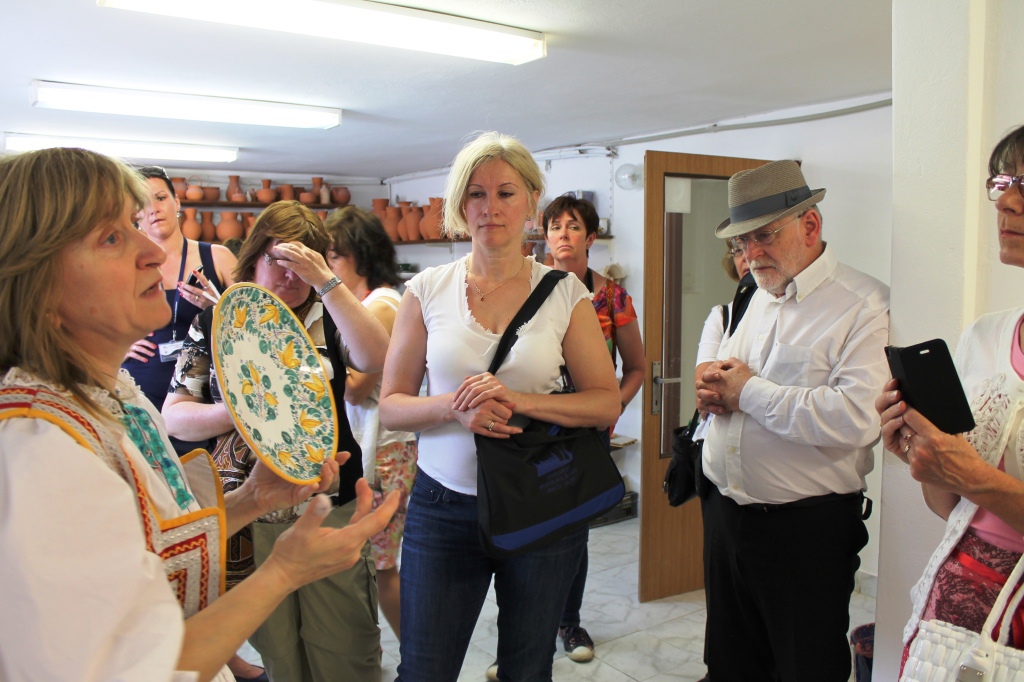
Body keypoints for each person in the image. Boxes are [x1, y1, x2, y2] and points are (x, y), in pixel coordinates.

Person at [0, 147, 400, 682]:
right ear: (37, 282)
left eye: (135, 225)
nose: (152, 250)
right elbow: (123, 667)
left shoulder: (112, 400)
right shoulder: (38, 449)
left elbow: (154, 549)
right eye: (112, 237)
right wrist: (282, 572)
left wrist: (251, 499)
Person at [379, 131, 620, 682]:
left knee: (527, 668)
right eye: (477, 194)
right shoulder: (426, 290)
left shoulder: (566, 293)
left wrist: (519, 400)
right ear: (460, 205)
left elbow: (605, 403)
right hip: (443, 506)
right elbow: (392, 406)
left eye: (506, 193)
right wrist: (454, 409)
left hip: (540, 501)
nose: (491, 207)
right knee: (424, 670)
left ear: (531, 200)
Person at [163, 200, 391, 682]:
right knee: (280, 654)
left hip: (328, 502)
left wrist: (325, 282)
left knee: (347, 649)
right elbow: (176, 417)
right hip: (249, 510)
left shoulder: (329, 314)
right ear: (254, 256)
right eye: (279, 260)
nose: (291, 276)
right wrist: (244, 411)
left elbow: (376, 357)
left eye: (302, 264)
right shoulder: (217, 321)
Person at [695, 160, 889, 681]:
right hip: (725, 515)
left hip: (805, 532)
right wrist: (713, 394)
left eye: (764, 236)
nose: (751, 253)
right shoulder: (752, 297)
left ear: (810, 225)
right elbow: (725, 383)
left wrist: (747, 392)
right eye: (743, 241)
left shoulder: (864, 306)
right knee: (729, 667)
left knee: (805, 669)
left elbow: (856, 418)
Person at [877, 125, 1024, 672]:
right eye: (1001, 182)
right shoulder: (985, 336)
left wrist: (974, 476)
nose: (1006, 201)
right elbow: (950, 507)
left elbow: (975, 484)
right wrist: (927, 458)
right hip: (952, 607)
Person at [538, 193, 645, 665]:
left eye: (573, 226)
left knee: (572, 530)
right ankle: (526, 625)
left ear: (591, 238)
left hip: (585, 430)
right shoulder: (524, 286)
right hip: (532, 424)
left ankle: (568, 621)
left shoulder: (611, 297)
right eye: (555, 226)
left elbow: (637, 366)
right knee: (526, 526)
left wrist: (612, 408)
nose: (563, 234)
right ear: (545, 237)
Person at [324, 206, 418, 640]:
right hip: (378, 446)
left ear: (360, 256)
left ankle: (417, 657)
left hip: (384, 451)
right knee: (374, 563)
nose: (327, 267)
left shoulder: (380, 306)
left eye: (333, 256)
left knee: (382, 566)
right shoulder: (364, 306)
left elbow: (354, 389)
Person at [121, 166, 236, 456]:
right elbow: (91, 321)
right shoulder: (121, 263)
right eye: (143, 203)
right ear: (134, 214)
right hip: (140, 389)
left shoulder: (218, 257)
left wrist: (217, 310)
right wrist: (120, 347)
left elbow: (254, 325)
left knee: (202, 475)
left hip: (202, 399)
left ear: (177, 202)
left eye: (160, 198)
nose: (154, 209)